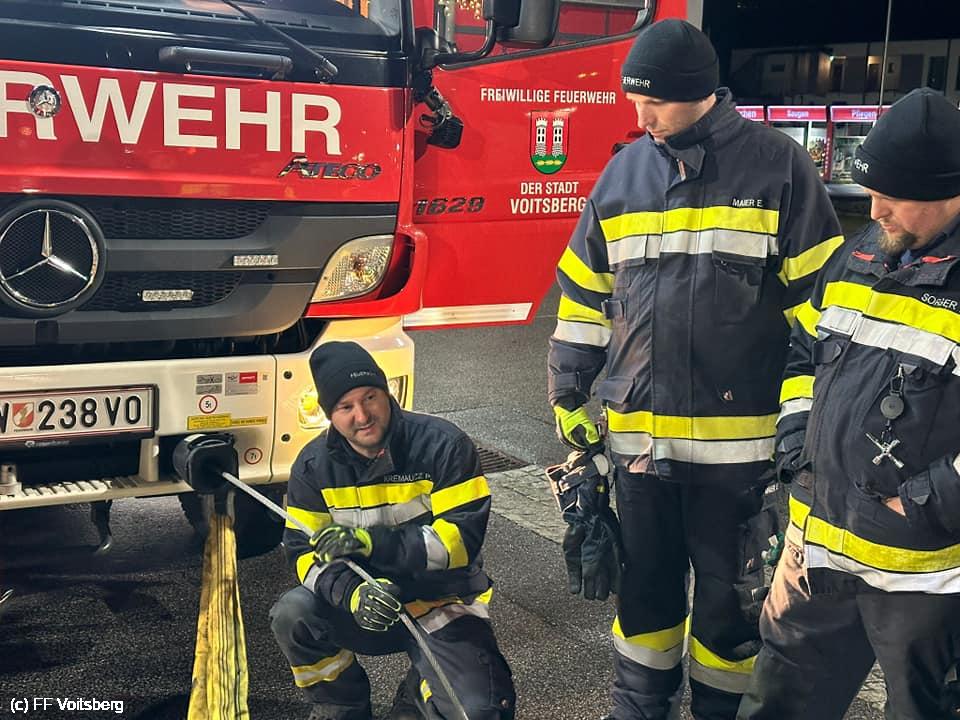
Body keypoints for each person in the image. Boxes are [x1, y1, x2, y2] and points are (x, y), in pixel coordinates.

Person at [547, 18, 844, 720]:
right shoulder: (624, 174)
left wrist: (801, 420)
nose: (642, 117)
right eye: (634, 100)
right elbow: (584, 297)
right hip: (639, 456)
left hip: (737, 463)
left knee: (728, 615)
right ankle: (637, 710)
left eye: (655, 102)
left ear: (702, 93)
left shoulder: (778, 168)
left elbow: (825, 317)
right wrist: (568, 391)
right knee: (643, 607)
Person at [738, 88, 960, 719]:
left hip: (922, 575)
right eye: (871, 190)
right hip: (815, 551)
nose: (875, 208)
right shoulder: (856, 256)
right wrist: (794, 442)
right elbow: (803, 354)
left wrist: (926, 502)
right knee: (778, 705)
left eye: (895, 196)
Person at [270, 341, 515, 720]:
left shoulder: (444, 445)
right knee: (293, 613)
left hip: (440, 598)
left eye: (370, 397)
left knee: (480, 711)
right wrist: (353, 593)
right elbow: (304, 553)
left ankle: (419, 696)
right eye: (345, 407)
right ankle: (340, 707)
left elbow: (459, 543)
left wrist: (372, 544)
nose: (362, 415)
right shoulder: (312, 467)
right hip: (362, 602)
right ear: (329, 414)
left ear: (387, 393)